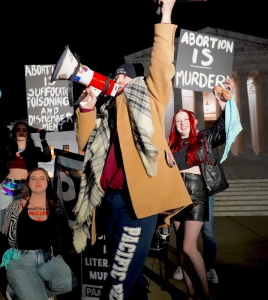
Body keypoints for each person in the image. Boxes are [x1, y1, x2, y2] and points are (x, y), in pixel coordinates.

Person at [71, 1, 192, 299]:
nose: (119, 79)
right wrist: (87, 109)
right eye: (117, 75)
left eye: (125, 76)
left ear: (138, 80)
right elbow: (87, 147)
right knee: (130, 277)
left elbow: (162, 65)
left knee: (117, 283)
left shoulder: (150, 96)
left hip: (137, 205)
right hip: (109, 202)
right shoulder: (109, 110)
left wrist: (165, 16)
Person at [167, 78, 235, 300]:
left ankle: (206, 294)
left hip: (196, 193)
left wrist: (224, 100)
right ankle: (191, 291)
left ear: (192, 122)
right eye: (178, 121)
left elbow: (225, 125)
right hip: (175, 194)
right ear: (174, 125)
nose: (182, 123)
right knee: (181, 248)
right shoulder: (171, 146)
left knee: (189, 246)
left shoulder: (204, 139)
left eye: (185, 119)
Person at [0, 167, 77, 300]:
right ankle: (20, 290)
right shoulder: (16, 207)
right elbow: (4, 236)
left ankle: (21, 294)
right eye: (33, 178)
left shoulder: (57, 208)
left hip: (48, 257)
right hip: (20, 261)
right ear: (28, 183)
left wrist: (64, 256)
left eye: (42, 178)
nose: (38, 181)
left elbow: (65, 236)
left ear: (48, 182)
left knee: (68, 283)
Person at [0, 116, 52, 233]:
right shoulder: (8, 148)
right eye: (18, 130)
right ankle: (2, 245)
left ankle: (21, 246)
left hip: (25, 188)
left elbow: (47, 157)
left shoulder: (33, 150)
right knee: (3, 216)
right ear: (14, 133)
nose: (21, 132)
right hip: (8, 187)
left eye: (24, 130)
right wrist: (12, 156)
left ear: (28, 134)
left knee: (24, 218)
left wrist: (43, 139)